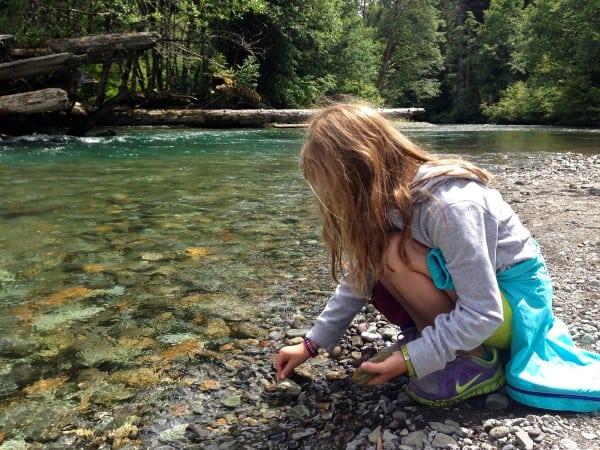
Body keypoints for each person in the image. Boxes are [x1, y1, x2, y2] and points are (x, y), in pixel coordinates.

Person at [275, 103, 555, 407]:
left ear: (360, 170)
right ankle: (439, 341)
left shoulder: (451, 205)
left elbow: (484, 312)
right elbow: (359, 279)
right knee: (379, 251)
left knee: (394, 253)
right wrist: (312, 344)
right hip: (481, 303)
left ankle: (475, 360)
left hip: (514, 311)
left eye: (338, 187)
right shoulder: (392, 198)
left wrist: (411, 360)